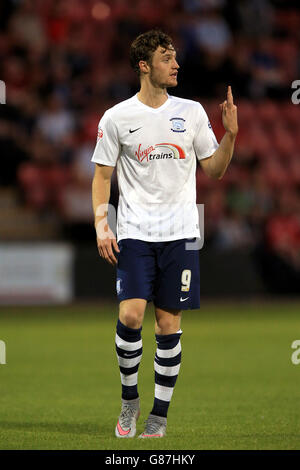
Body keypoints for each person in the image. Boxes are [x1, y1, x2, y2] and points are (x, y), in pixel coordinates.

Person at [91, 30, 238, 438]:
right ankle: (128, 402)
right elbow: (102, 175)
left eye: (175, 57)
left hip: (182, 235)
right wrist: (103, 224)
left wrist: (230, 135)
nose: (176, 65)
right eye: (166, 58)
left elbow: (215, 170)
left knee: (167, 326)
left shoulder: (191, 112)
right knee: (131, 314)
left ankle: (158, 414)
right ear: (144, 65)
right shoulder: (117, 117)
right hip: (136, 232)